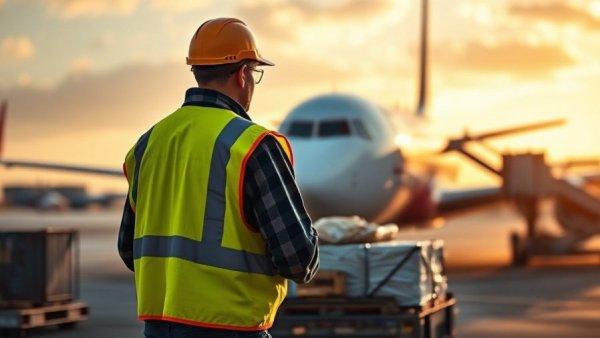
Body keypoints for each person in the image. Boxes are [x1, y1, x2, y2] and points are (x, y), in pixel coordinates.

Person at [117, 17, 319, 338]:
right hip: (232, 326)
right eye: (255, 72)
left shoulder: (147, 144)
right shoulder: (252, 145)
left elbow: (128, 250)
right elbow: (298, 260)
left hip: (159, 327)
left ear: (197, 71)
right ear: (242, 74)